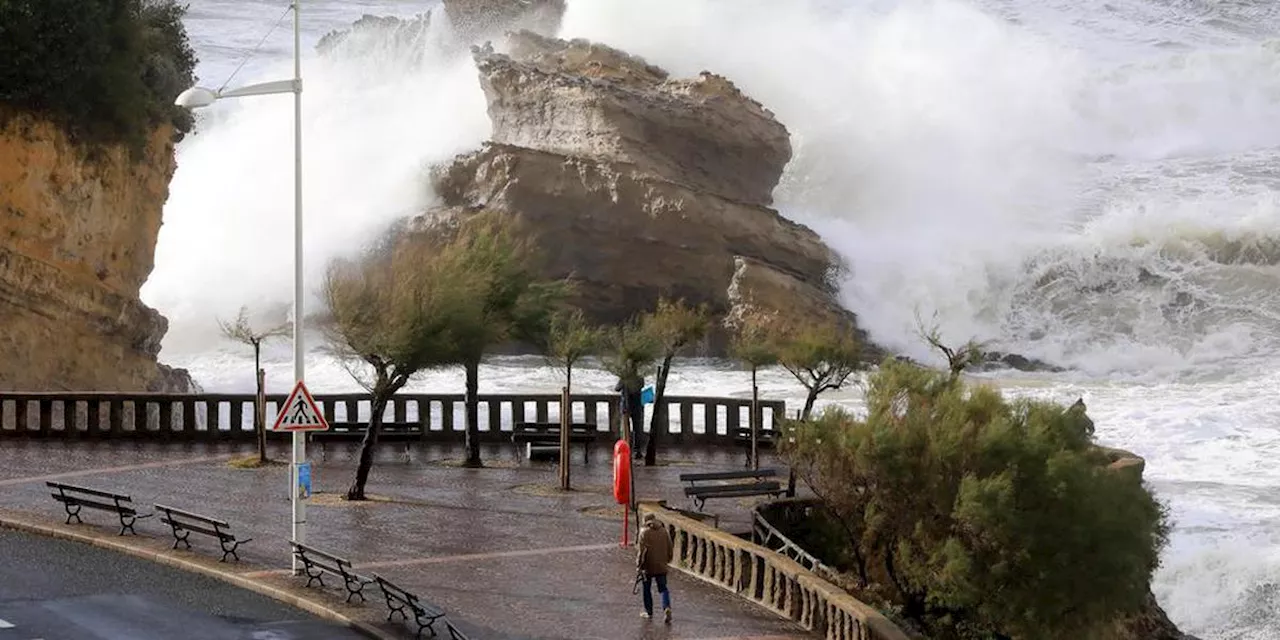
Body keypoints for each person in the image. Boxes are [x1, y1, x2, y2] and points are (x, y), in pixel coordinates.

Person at [636, 512, 673, 622]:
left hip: (648, 565)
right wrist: (667, 560)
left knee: (646, 589)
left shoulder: (644, 532)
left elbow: (641, 551)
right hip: (661, 564)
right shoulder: (664, 531)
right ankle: (666, 607)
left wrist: (639, 565)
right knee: (663, 588)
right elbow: (670, 547)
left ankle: (649, 612)